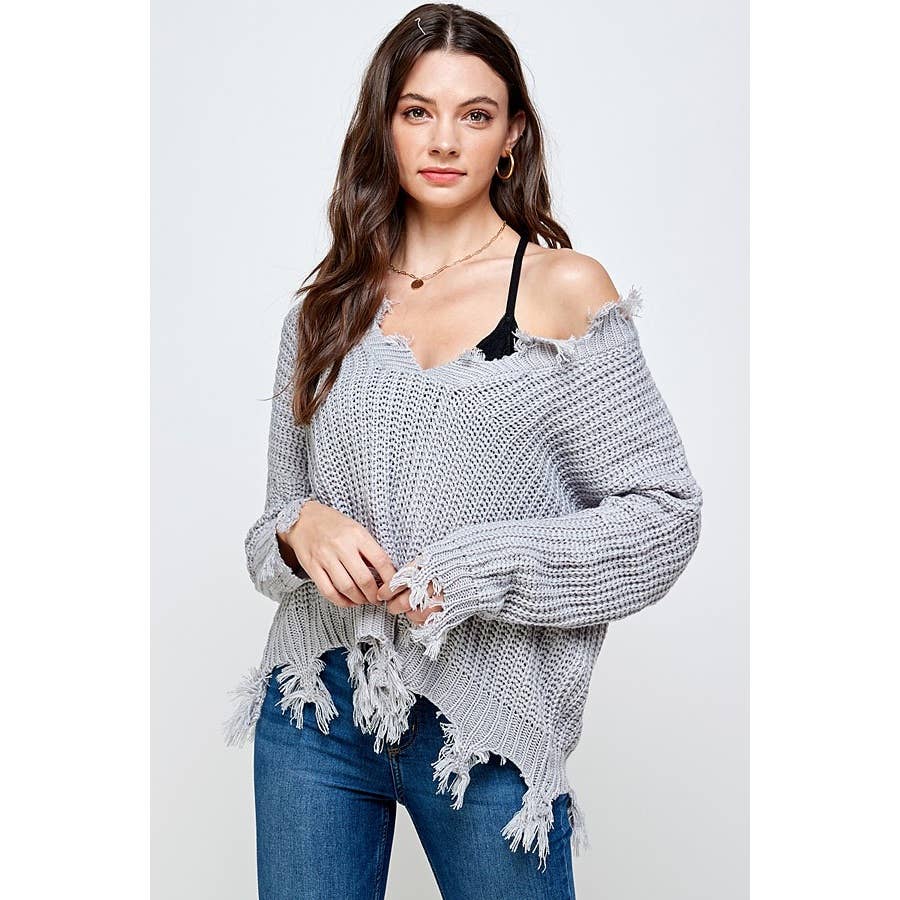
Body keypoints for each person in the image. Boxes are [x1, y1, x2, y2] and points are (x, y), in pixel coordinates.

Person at [224, 5, 703, 899]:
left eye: (474, 114)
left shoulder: (563, 288)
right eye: (418, 111)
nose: (444, 140)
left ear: (511, 135)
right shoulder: (325, 310)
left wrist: (482, 570)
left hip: (483, 721)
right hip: (316, 707)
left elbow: (665, 518)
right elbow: (267, 536)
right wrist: (299, 529)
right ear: (384, 125)